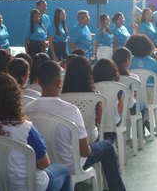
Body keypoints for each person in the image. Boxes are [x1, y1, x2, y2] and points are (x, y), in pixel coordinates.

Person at [26, 61, 126, 191]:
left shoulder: (27, 109)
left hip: (45, 164)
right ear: (59, 82)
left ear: (38, 81)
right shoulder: (71, 110)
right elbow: (85, 151)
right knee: (107, 146)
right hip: (72, 164)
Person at [0, 72, 70, 191]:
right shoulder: (25, 129)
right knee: (63, 171)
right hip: (29, 186)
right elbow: (44, 164)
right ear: (14, 98)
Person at [62, 55, 102, 142]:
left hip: (68, 139)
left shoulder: (61, 95)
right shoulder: (95, 96)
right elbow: (100, 120)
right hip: (90, 136)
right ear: (89, 73)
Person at [93, 58, 124, 141]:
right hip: (114, 122)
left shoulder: (92, 87)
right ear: (114, 72)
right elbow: (121, 109)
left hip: (98, 124)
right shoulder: (118, 87)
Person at [112, 47, 145, 116]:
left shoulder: (110, 77)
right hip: (130, 108)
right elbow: (136, 95)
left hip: (114, 108)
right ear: (127, 61)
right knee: (143, 105)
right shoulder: (133, 77)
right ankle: (141, 125)